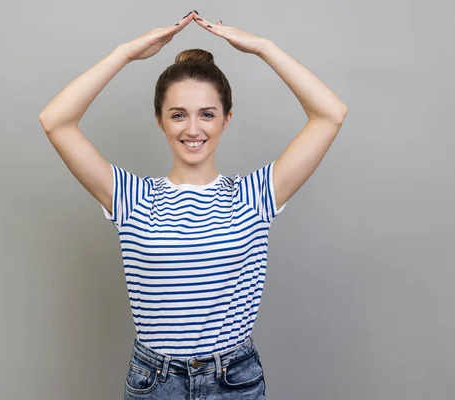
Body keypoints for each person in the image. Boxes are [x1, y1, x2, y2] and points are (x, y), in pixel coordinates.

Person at [39, 9, 347, 400]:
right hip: (154, 383)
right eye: (178, 115)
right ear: (160, 121)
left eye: (207, 114)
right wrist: (125, 53)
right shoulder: (131, 198)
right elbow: (55, 120)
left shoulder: (254, 196)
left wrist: (264, 48)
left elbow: (330, 114)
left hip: (233, 381)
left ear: (226, 119)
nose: (193, 129)